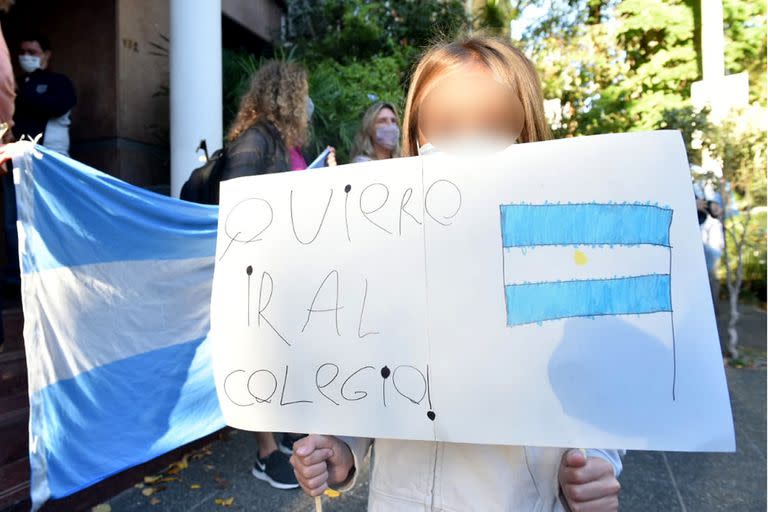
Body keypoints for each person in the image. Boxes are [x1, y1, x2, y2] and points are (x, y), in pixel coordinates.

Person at [290, 36, 622, 512]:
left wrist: (597, 467)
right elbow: (369, 370)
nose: (466, 145)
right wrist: (342, 448)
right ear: (415, 138)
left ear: (528, 134)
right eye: (445, 127)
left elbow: (608, 378)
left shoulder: (565, 253)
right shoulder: (381, 252)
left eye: (492, 126)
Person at [220, 59, 315, 490]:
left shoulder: (289, 145)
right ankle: (264, 452)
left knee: (285, 358)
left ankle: (285, 436)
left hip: (290, 271)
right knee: (259, 361)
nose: (309, 104)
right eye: (304, 93)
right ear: (289, 96)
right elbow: (237, 207)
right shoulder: (256, 140)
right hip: (261, 272)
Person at [12, 32, 76, 156]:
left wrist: (20, 93)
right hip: (18, 155)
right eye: (22, 52)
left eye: (31, 52)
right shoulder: (17, 82)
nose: (25, 56)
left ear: (46, 55)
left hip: (50, 154)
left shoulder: (59, 81)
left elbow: (56, 108)